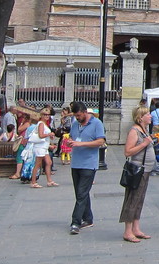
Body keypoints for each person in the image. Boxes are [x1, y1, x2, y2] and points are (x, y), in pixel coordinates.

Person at [68, 101, 106, 235]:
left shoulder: (96, 124)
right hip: (76, 163)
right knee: (80, 193)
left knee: (81, 193)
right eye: (75, 116)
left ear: (85, 112)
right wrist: (71, 142)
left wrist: (80, 143)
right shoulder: (75, 124)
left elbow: (101, 141)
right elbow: (73, 137)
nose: (77, 118)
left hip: (89, 164)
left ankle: (75, 222)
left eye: (79, 115)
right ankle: (88, 218)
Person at [120, 106, 156, 243]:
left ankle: (136, 227)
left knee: (139, 199)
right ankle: (127, 231)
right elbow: (128, 152)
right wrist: (145, 143)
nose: (150, 116)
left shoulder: (144, 130)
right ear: (140, 117)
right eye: (147, 114)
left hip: (146, 169)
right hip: (137, 170)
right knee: (132, 199)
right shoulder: (134, 131)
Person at [29, 107, 59, 188]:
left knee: (48, 162)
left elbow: (44, 136)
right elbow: (41, 135)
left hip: (44, 146)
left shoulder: (45, 123)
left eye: (48, 115)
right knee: (38, 164)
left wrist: (50, 139)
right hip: (40, 147)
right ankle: (33, 182)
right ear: (41, 115)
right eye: (45, 115)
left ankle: (49, 181)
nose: (47, 116)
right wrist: (49, 134)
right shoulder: (41, 123)